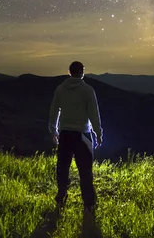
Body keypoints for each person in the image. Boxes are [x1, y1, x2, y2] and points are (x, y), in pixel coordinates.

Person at [49, 61, 103, 214]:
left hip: (65, 133)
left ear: (69, 72)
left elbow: (54, 112)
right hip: (82, 135)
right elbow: (94, 114)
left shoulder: (60, 89)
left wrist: (53, 130)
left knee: (63, 167)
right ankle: (88, 203)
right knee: (85, 170)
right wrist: (98, 133)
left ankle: (61, 196)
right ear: (82, 72)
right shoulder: (87, 90)